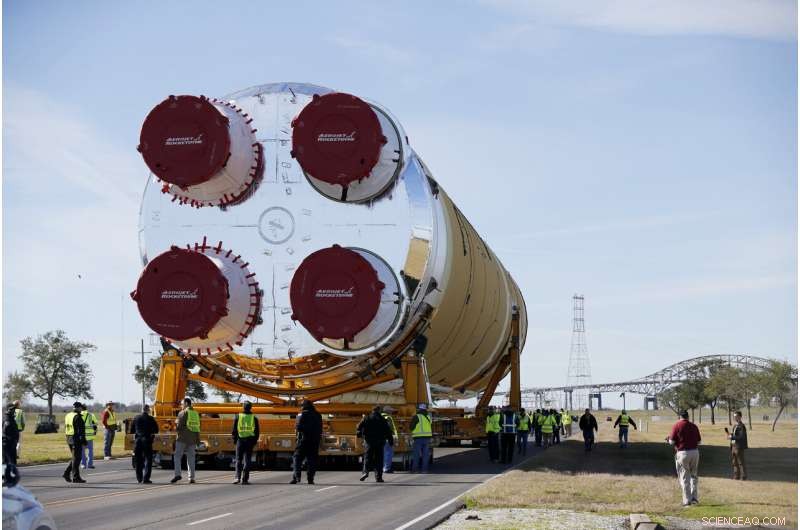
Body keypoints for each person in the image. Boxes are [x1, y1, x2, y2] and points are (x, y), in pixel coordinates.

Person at [667, 410, 701, 507]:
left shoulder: (677, 425)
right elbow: (699, 442)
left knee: (685, 476)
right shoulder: (694, 426)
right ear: (688, 417)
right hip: (695, 452)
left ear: (680, 417)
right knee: (694, 475)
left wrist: (668, 439)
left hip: (683, 453)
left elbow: (672, 442)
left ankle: (687, 500)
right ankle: (694, 498)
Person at [357, 406, 394, 483]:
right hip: (380, 442)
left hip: (369, 442)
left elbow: (359, 427)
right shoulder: (382, 419)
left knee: (367, 458)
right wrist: (391, 441)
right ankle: (378, 477)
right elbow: (388, 431)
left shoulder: (367, 418)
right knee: (379, 459)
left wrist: (359, 435)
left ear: (372, 410)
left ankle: (365, 472)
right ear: (379, 411)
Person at [291, 399, 322, 484]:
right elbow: (320, 429)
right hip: (315, 441)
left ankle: (297, 477)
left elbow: (298, 427)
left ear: (303, 406)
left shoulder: (302, 414)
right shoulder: (318, 415)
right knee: (312, 459)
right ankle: (310, 479)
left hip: (303, 440)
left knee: (297, 458)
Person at [171, 398, 200, 484]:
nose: (181, 406)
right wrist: (198, 439)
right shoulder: (195, 413)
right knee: (191, 458)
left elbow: (178, 427)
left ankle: (178, 474)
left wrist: (175, 423)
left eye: (182, 404)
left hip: (182, 438)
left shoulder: (182, 413)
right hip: (192, 439)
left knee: (177, 456)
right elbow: (197, 427)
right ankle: (192, 477)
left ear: (186, 403)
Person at [232, 401, 260, 485]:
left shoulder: (238, 416)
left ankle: (237, 478)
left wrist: (235, 440)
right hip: (250, 441)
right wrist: (254, 441)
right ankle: (245, 479)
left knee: (238, 460)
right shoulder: (254, 418)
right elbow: (257, 432)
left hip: (240, 441)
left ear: (243, 407)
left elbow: (234, 430)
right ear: (250, 408)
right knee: (247, 460)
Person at [132, 404, 159, 484]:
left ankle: (139, 478)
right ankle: (146, 478)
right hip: (147, 440)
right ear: (148, 410)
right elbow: (156, 430)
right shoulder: (151, 418)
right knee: (148, 459)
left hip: (138, 441)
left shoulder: (136, 418)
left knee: (138, 460)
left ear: (142, 410)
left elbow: (132, 430)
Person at [63, 401, 87, 483]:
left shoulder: (68, 415)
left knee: (75, 458)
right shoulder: (77, 417)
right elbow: (81, 431)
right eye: (81, 407)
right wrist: (84, 441)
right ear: (78, 408)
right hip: (75, 439)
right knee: (77, 458)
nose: (81, 409)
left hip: (68, 437)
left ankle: (67, 474)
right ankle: (75, 477)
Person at [409, 403, 433, 473]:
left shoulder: (416, 417)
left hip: (418, 438)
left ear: (418, 409)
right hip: (427, 438)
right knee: (425, 455)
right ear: (425, 409)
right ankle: (424, 470)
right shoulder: (428, 417)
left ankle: (415, 470)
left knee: (416, 454)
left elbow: (411, 427)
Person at [726, 411, 748, 480]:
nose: (735, 418)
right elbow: (735, 435)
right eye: (734, 416)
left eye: (736, 416)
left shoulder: (741, 426)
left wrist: (732, 437)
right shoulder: (735, 425)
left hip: (739, 446)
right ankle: (736, 476)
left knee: (740, 462)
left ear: (740, 417)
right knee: (734, 462)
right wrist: (730, 436)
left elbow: (741, 437)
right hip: (734, 446)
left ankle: (743, 477)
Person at [3, 404, 20, 486]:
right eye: (13, 410)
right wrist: (12, 441)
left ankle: (8, 478)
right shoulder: (8, 420)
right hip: (8, 444)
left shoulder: (10, 419)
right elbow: (7, 432)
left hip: (11, 444)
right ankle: (7, 478)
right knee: (8, 461)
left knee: (10, 461)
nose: (14, 412)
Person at [80, 404, 98, 469]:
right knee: (90, 451)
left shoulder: (78, 415)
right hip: (90, 436)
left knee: (82, 451)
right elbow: (96, 423)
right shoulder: (91, 415)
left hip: (82, 436)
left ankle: (83, 464)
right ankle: (90, 464)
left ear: (81, 408)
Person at [381, 407, 398, 474]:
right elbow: (390, 429)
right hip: (387, 438)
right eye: (391, 411)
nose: (392, 412)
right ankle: (387, 468)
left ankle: (382, 467)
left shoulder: (378, 417)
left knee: (382, 453)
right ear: (388, 411)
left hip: (379, 438)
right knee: (388, 453)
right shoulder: (388, 418)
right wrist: (394, 438)